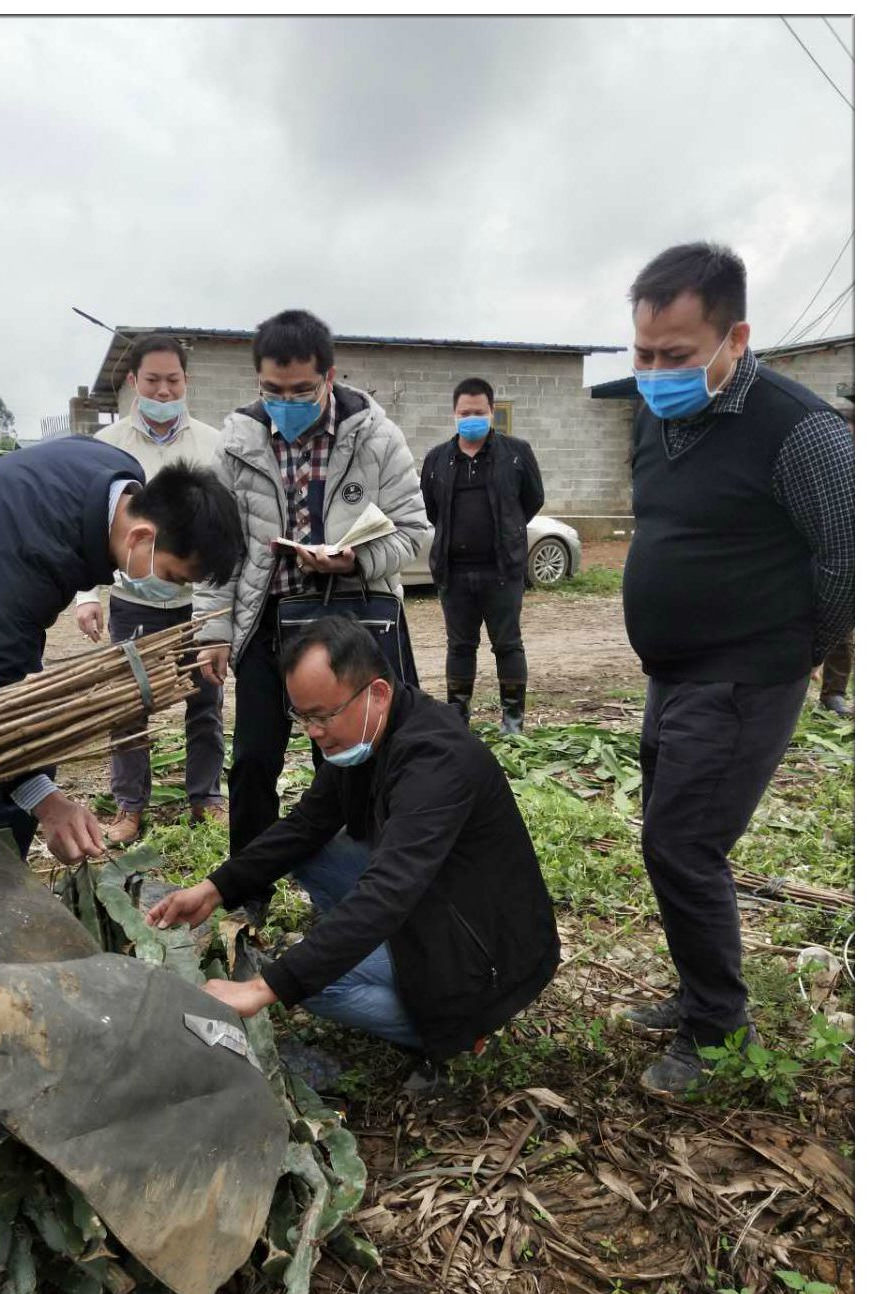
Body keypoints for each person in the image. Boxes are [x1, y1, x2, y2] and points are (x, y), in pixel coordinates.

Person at [619, 242, 854, 1096]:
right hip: (672, 673)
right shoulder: (657, 414)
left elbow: (845, 561)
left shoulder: (799, 431)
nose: (653, 371)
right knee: (668, 837)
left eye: (674, 356)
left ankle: (718, 1030)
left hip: (744, 674)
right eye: (641, 353)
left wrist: (790, 652)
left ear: (735, 338)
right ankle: (696, 993)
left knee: (683, 844)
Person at [146, 615, 559, 1086]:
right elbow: (305, 826)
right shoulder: (369, 733)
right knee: (312, 849)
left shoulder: (436, 761)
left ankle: (463, 1027)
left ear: (377, 693)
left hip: (486, 954)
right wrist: (216, 888)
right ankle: (377, 960)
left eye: (322, 715)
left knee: (314, 986)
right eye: (303, 717)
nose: (313, 732)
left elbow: (386, 894)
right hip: (436, 904)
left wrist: (267, 987)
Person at [0, 436, 243, 865]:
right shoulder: (36, 556)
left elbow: (6, 471)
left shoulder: (117, 472)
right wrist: (46, 802)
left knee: (31, 730)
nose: (172, 590)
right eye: (171, 576)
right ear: (142, 535)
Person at [195, 308, 429, 915]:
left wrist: (353, 561)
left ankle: (374, 885)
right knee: (252, 762)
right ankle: (247, 895)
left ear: (329, 376)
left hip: (351, 625)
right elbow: (219, 551)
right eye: (272, 391)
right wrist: (215, 632)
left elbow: (414, 534)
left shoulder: (377, 438)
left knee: (360, 760)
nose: (287, 402)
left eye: (302, 390)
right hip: (270, 626)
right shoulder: (238, 443)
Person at [75, 333, 226, 844]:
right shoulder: (107, 447)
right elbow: (90, 524)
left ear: (187, 382)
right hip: (134, 601)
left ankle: (205, 796)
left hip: (197, 604)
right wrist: (87, 595)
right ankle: (130, 807)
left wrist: (221, 607)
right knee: (128, 707)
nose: (164, 392)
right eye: (153, 381)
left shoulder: (212, 444)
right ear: (134, 383)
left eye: (173, 381)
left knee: (206, 701)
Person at [421, 377, 545, 732]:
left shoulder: (517, 452)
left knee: (507, 645)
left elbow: (532, 500)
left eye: (478, 412)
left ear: (492, 412)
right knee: (460, 646)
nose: (471, 417)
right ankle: (458, 719)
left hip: (502, 571)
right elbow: (432, 509)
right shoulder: (437, 460)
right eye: (464, 412)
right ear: (454, 414)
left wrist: (507, 530)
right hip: (454, 574)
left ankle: (513, 720)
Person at [818, 399, 854, 718]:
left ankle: (833, 694)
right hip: (815, 550)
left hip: (848, 552)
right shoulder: (821, 458)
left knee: (843, 625)